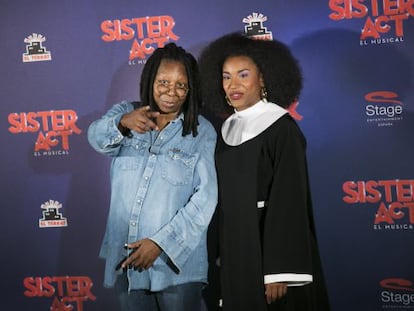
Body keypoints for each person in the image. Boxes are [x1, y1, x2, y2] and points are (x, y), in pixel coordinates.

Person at [198, 33, 330, 310]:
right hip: (235, 250)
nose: (233, 85)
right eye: (226, 76)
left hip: (269, 254)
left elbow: (289, 202)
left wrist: (279, 271)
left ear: (263, 78)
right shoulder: (225, 129)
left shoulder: (281, 127)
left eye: (243, 75)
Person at [88, 42, 218, 311]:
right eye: (163, 82)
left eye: (181, 85)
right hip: (128, 263)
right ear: (150, 80)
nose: (172, 91)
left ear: (190, 89)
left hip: (176, 267)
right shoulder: (126, 114)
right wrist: (122, 122)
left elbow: (205, 199)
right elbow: (96, 139)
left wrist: (160, 244)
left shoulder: (201, 131)